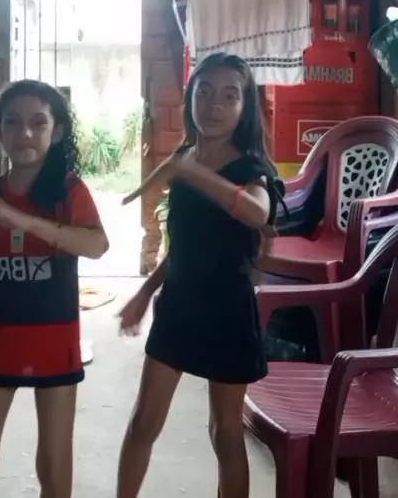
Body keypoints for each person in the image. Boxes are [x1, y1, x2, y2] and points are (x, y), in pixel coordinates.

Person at [116, 53, 284, 498]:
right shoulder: (184, 157)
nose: (214, 105)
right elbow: (182, 247)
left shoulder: (250, 170)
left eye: (230, 96)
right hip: (178, 307)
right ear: (190, 97)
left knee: (224, 433)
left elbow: (256, 213)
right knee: (143, 423)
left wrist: (189, 172)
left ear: (245, 108)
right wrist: (144, 293)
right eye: (205, 92)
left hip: (229, 313)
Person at [0, 79, 109, 498]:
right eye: (12, 122)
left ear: (57, 131)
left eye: (38, 122)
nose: (25, 133)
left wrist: (19, 219)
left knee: (54, 469)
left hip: (56, 346)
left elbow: (97, 245)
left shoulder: (69, 191)